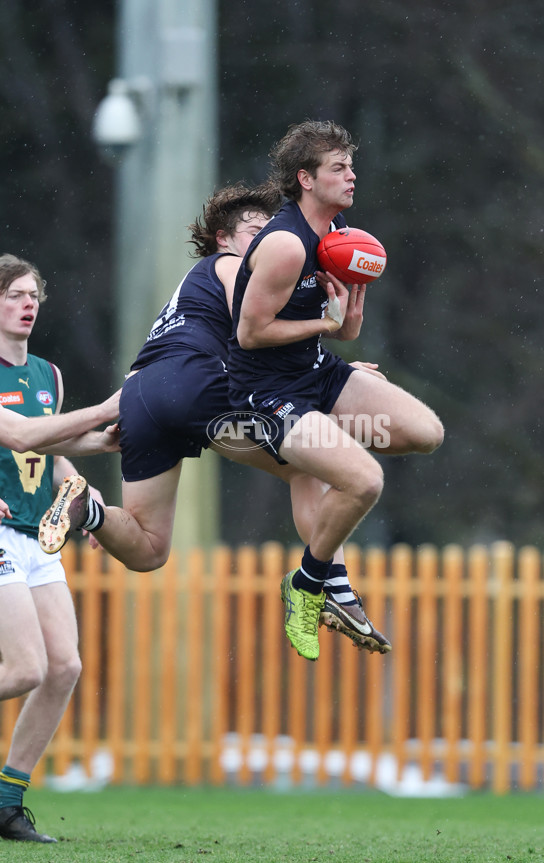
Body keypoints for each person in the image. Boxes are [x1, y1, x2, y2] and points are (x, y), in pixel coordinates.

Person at [39, 183, 391, 654]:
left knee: (148, 549)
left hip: (143, 393)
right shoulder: (229, 268)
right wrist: (337, 368)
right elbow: (253, 339)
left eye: (271, 229)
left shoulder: (203, 283)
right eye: (254, 230)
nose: (266, 238)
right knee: (316, 463)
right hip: (196, 383)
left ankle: (88, 510)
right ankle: (334, 586)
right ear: (223, 239)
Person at [227, 120, 444, 660]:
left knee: (426, 432)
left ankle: (317, 459)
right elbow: (250, 334)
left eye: (351, 165)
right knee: (365, 482)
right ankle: (308, 586)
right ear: (305, 178)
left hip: (317, 371)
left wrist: (347, 318)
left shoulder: (338, 231)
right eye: (338, 168)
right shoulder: (283, 244)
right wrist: (325, 328)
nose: (352, 175)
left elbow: (342, 331)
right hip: (263, 391)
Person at [0, 253, 119, 844]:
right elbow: (16, 436)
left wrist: (81, 491)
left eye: (34, 296)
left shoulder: (47, 376)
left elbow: (50, 452)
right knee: (24, 668)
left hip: (35, 536)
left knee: (64, 667)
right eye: (15, 295)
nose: (28, 305)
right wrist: (107, 410)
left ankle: (5, 802)